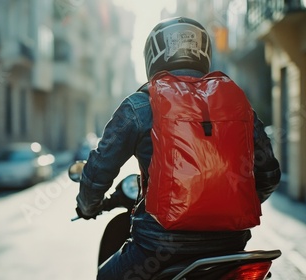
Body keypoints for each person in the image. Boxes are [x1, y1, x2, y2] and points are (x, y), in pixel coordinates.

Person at [76, 17, 281, 280]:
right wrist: (225, 207)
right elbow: (269, 176)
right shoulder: (237, 102)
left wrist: (88, 206)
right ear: (205, 53)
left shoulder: (140, 104)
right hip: (230, 244)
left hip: (158, 247)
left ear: (152, 55)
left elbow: (99, 170)